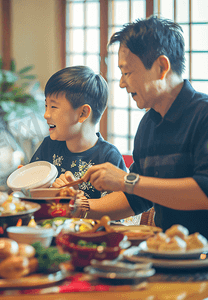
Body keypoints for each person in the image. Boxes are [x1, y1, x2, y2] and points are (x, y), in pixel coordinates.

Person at [70, 16, 208, 244]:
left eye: (127, 72)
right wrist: (78, 207)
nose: (122, 83)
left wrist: (127, 180)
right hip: (168, 252)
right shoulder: (148, 124)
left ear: (161, 67)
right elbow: (138, 198)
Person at [30, 66, 132, 221]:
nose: (46, 115)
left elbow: (116, 215)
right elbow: (31, 195)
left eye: (53, 107)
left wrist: (75, 198)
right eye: (46, 106)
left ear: (83, 113)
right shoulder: (48, 146)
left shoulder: (108, 156)